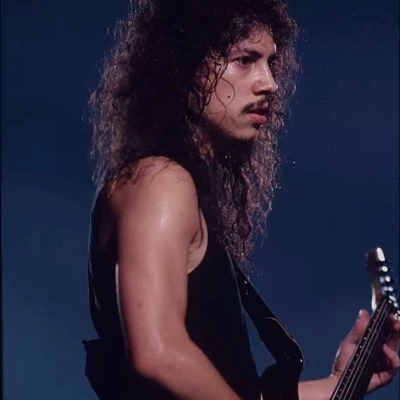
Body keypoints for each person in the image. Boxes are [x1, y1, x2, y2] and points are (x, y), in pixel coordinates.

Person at [83, 0, 400, 399]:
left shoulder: (180, 191)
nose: (270, 83)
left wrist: (338, 384)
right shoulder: (159, 181)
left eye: (270, 62)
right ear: (184, 67)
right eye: (245, 60)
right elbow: (159, 354)